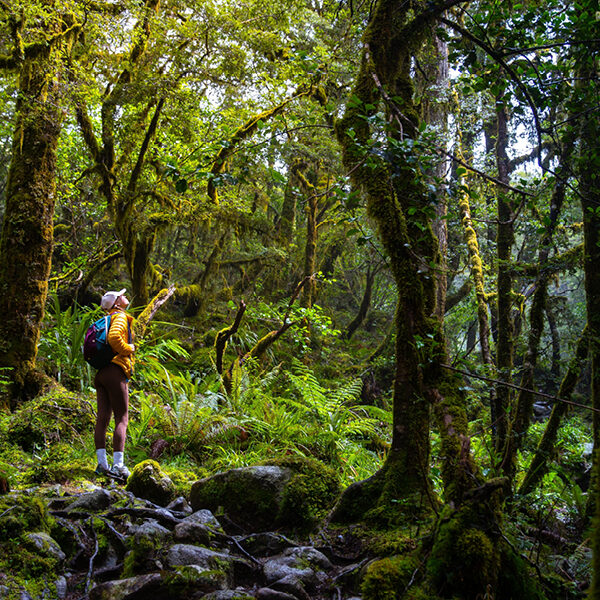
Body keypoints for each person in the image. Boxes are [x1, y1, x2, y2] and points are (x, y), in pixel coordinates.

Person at [94, 288, 135, 480]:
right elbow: (113, 338)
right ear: (117, 303)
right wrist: (129, 349)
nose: (125, 296)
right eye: (122, 295)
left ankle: (102, 464)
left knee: (102, 418)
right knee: (122, 417)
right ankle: (118, 466)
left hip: (101, 372)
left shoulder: (105, 320)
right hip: (115, 370)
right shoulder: (119, 317)